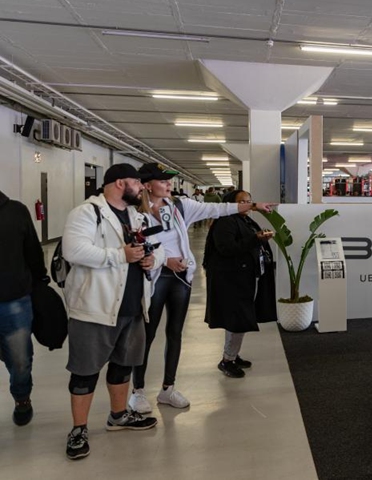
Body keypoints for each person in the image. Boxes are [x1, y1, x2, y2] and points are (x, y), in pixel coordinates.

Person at [128, 164, 274, 413]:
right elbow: (137, 244)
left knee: (175, 333)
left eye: (168, 181)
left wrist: (252, 206)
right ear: (148, 184)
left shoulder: (180, 207)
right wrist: (165, 260)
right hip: (153, 277)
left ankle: (168, 388)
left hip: (180, 278)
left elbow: (217, 208)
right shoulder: (134, 214)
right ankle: (138, 391)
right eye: (163, 181)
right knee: (147, 335)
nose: (168, 184)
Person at [61, 163, 165, 460]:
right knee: (85, 371)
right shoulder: (86, 213)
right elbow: (74, 250)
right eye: (137, 181)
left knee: (123, 365)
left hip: (132, 306)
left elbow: (157, 249)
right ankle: (79, 428)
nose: (142, 187)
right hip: (95, 308)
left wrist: (152, 261)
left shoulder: (137, 215)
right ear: (120, 183)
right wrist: (120, 255)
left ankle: (118, 416)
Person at [203, 190, 278, 378]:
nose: (247, 204)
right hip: (231, 280)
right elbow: (227, 248)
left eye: (249, 201)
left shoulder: (244, 220)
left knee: (240, 319)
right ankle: (227, 360)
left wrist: (260, 239)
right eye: (242, 201)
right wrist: (256, 239)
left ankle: (233, 355)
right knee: (236, 319)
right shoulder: (226, 221)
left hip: (243, 277)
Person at [0, 189, 47, 427]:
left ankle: (22, 398)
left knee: (19, 360)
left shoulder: (16, 211)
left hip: (13, 300)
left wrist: (40, 279)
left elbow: (33, 251)